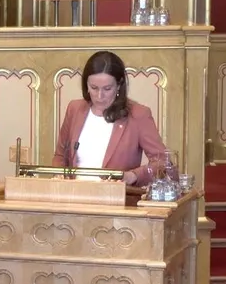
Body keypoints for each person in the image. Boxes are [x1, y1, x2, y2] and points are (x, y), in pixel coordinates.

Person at [53, 51, 167, 186]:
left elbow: (164, 164)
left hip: (115, 197)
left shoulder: (138, 115)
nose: (99, 96)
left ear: (119, 85)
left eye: (107, 89)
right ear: (86, 84)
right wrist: (59, 175)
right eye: (94, 88)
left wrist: (134, 175)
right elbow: (60, 156)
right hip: (74, 194)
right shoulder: (75, 109)